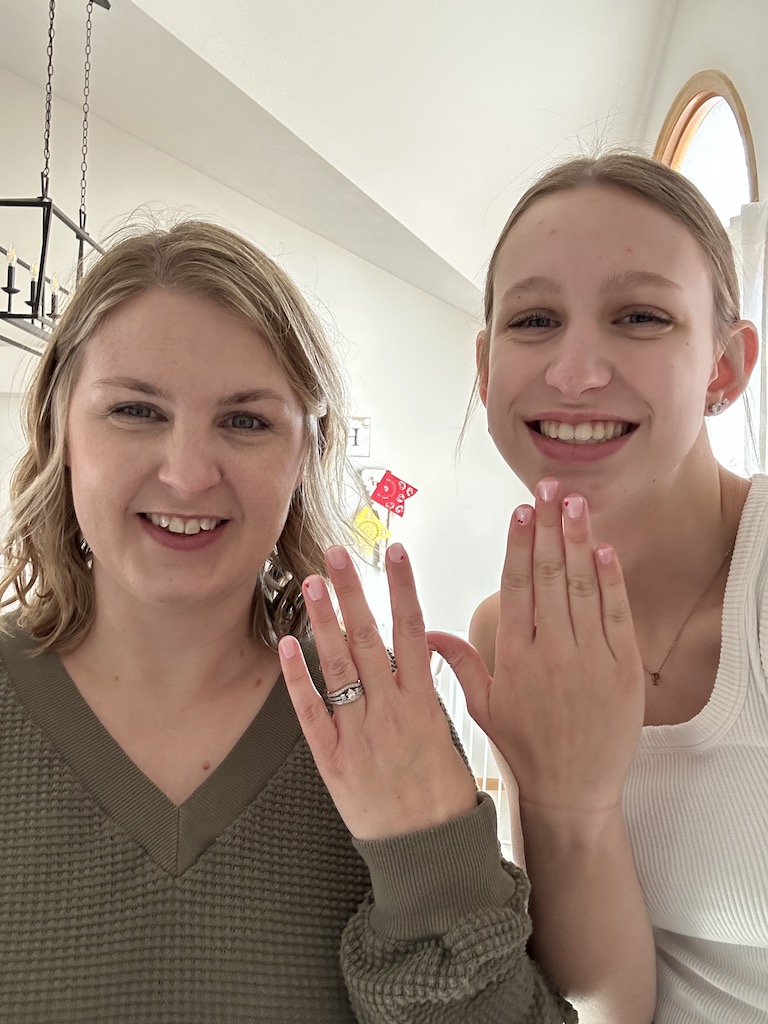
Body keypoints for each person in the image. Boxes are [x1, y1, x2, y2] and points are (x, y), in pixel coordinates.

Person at [0, 219, 575, 1023]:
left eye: (246, 421)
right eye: (134, 410)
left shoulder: (385, 721)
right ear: (60, 427)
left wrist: (427, 864)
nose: (189, 473)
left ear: (307, 452)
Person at [429, 151, 768, 1024]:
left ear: (726, 368)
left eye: (642, 317)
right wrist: (565, 804)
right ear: (483, 368)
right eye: (534, 319)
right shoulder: (513, 634)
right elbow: (601, 1002)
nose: (574, 373)